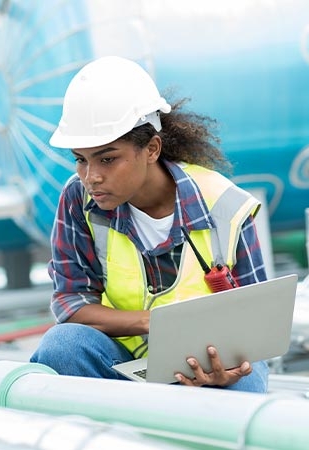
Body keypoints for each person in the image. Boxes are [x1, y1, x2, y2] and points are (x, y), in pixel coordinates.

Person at [30, 56, 269, 392]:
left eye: (107, 159)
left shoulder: (223, 205)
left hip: (213, 361)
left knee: (245, 383)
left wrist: (225, 369)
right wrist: (153, 324)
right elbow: (71, 304)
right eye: (81, 160)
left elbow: (255, 321)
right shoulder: (78, 199)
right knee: (62, 346)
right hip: (127, 362)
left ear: (152, 148)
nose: (91, 176)